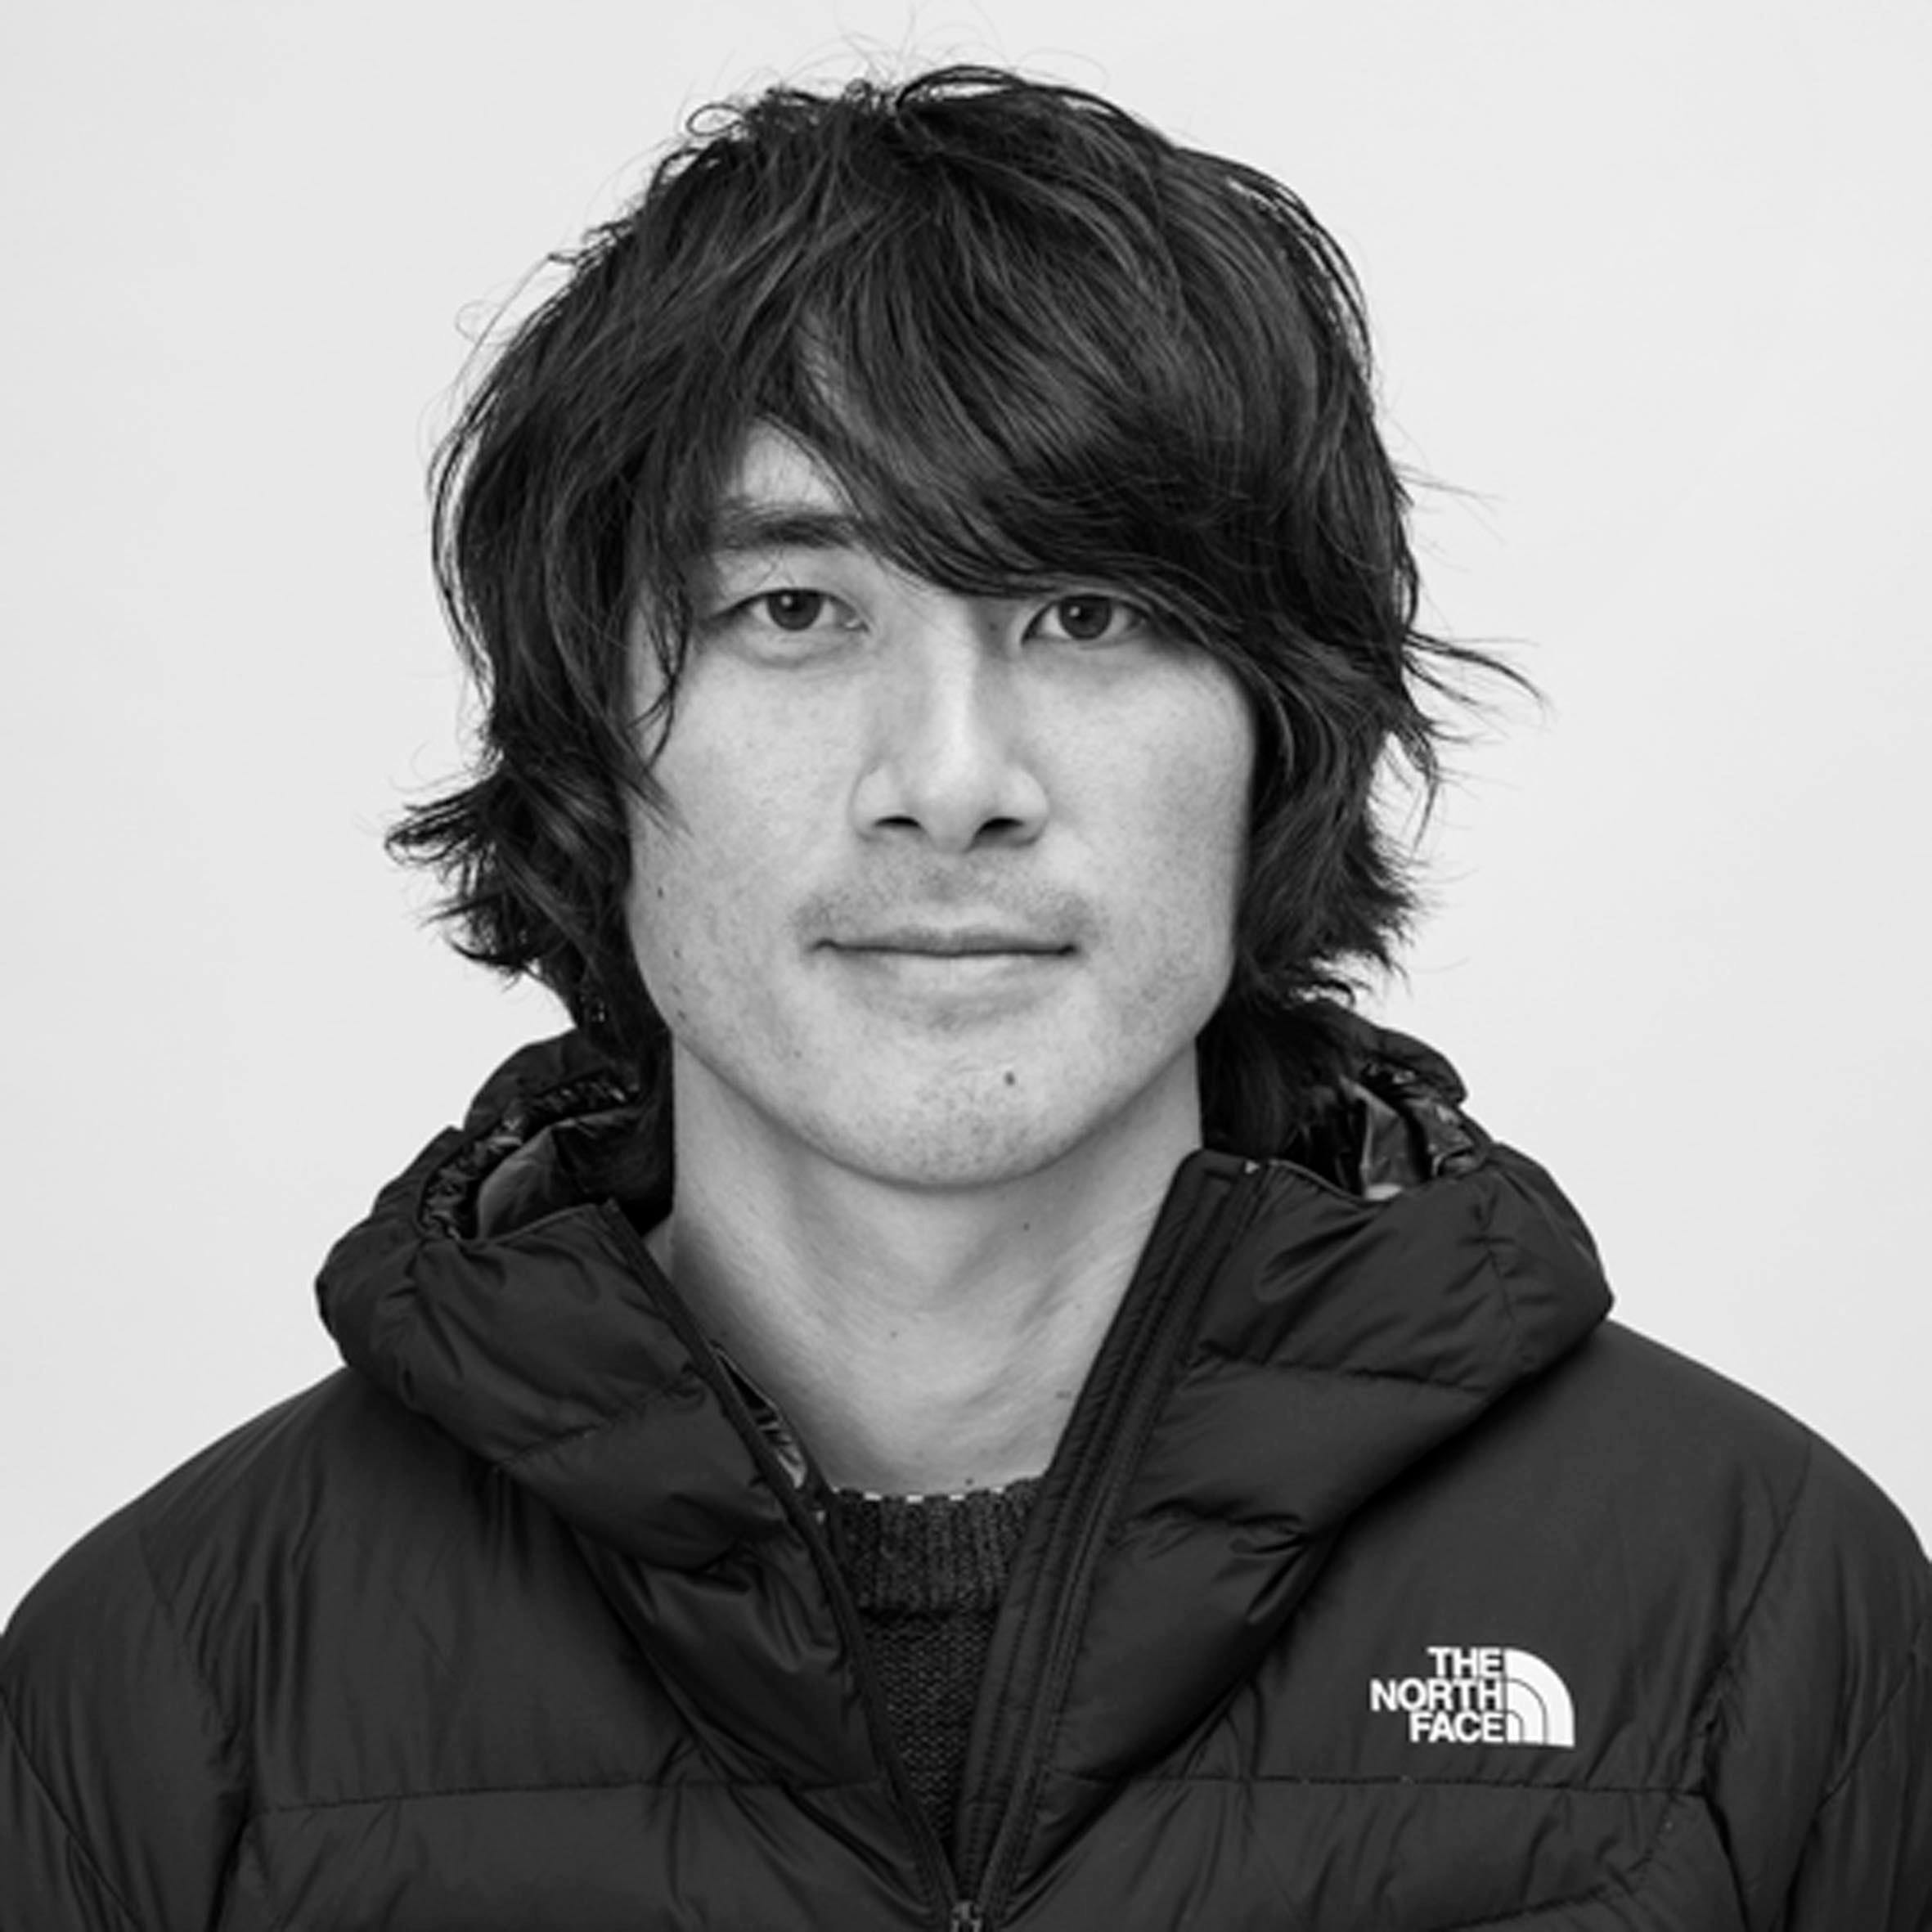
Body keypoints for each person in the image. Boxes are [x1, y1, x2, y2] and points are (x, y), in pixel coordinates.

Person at [2, 64, 1925, 1931]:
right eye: (792, 610)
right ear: (588, 740)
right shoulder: (170, 1688)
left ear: (1278, 735)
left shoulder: (1757, 1617)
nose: (947, 776)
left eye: (1085, 613)